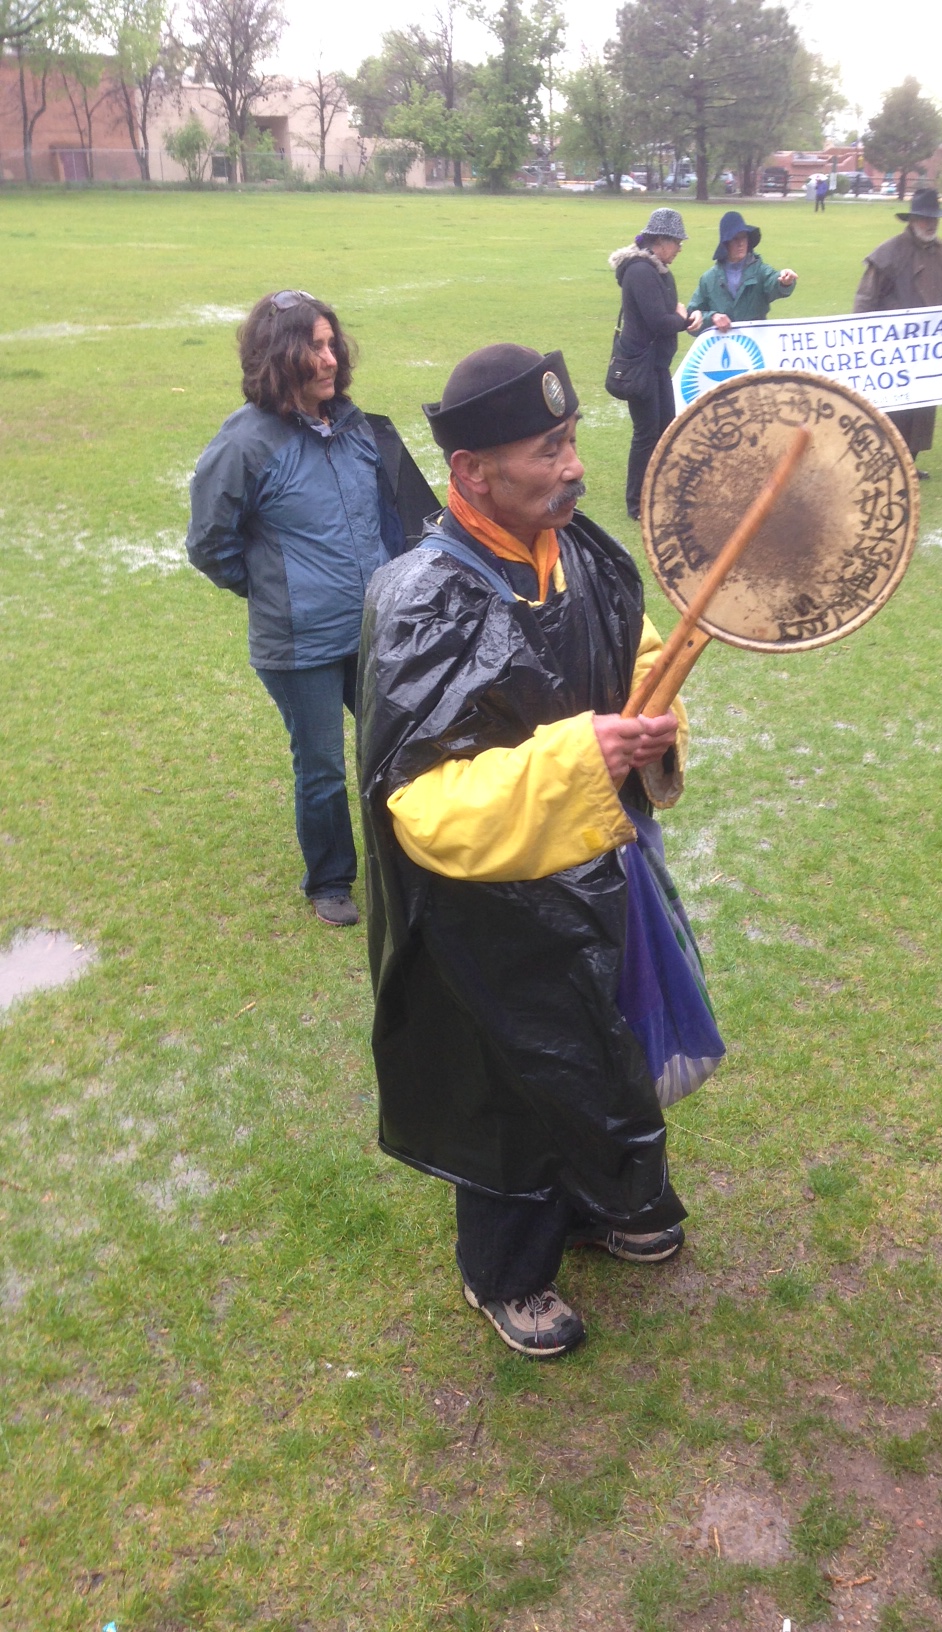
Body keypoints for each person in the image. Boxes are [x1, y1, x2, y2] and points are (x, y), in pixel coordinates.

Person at [359, 344, 714, 1358]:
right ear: (472, 472)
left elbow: (637, 654)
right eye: (547, 449)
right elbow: (424, 805)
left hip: (596, 871)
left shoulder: (582, 552)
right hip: (488, 912)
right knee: (513, 1078)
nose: (574, 466)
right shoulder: (419, 600)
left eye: (571, 439)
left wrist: (650, 724)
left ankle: (605, 1202)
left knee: (602, 1043)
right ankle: (506, 1274)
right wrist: (581, 758)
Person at [186, 291, 403, 927]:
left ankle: (410, 861)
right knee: (323, 767)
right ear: (280, 357)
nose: (330, 359)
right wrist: (273, 590)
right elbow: (208, 544)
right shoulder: (246, 443)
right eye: (314, 347)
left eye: (333, 344)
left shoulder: (354, 426)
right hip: (300, 642)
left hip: (370, 627)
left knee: (398, 742)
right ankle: (330, 880)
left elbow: (387, 517)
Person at [853, 187, 942, 478]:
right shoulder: (889, 253)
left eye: (934, 219)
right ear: (912, 220)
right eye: (924, 218)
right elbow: (866, 298)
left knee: (922, 407)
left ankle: (908, 463)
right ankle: (885, 465)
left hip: (928, 349)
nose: (930, 224)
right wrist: (863, 337)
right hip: (892, 346)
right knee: (892, 407)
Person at [608, 207, 701, 521]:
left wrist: (680, 316)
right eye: (677, 241)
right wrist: (682, 318)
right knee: (647, 433)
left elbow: (668, 313)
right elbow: (660, 321)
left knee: (664, 429)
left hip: (656, 365)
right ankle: (637, 503)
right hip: (641, 365)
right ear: (660, 241)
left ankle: (658, 492)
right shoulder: (641, 271)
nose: (680, 248)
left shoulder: (658, 270)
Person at [686, 210, 798, 333]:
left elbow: (774, 282)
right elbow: (692, 318)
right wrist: (712, 317)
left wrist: (785, 282)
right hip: (723, 344)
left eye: (744, 237)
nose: (741, 243)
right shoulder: (708, 279)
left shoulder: (760, 271)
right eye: (735, 238)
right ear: (726, 243)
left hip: (755, 343)